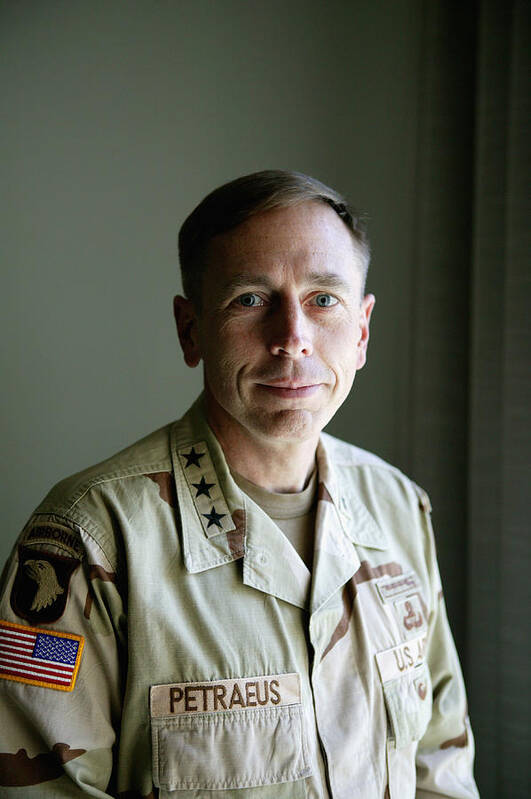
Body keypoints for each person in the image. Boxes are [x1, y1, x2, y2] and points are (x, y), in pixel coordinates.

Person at [0, 170, 479, 798]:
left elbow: (440, 763)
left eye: (324, 299)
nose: (292, 339)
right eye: (250, 299)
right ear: (191, 328)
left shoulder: (399, 509)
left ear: (361, 331)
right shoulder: (88, 540)